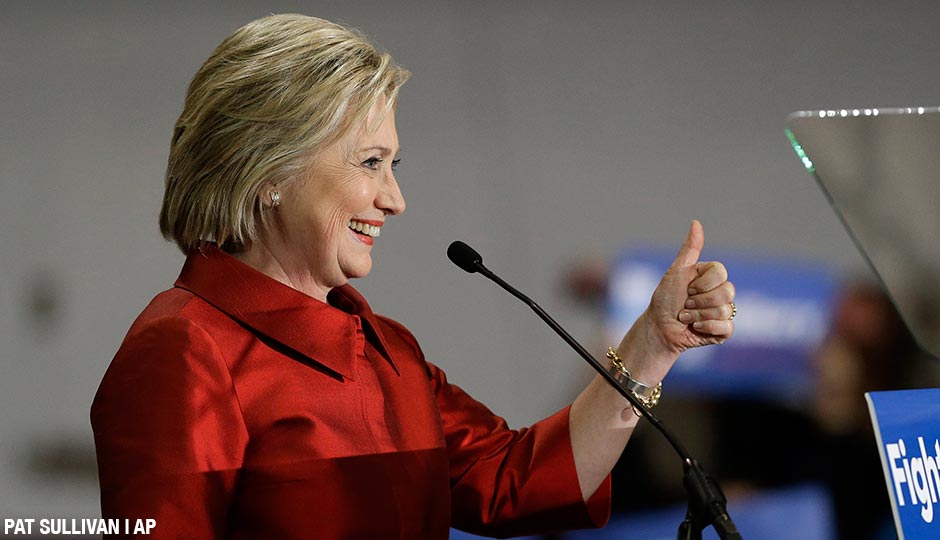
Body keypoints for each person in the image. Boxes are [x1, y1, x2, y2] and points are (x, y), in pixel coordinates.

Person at [91, 14, 736, 540]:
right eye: (370, 163)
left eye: (394, 163)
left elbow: (517, 480)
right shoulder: (182, 350)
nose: (395, 199)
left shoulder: (385, 349)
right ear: (270, 174)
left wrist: (651, 346)